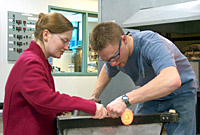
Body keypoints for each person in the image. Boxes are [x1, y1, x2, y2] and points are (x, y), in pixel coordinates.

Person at [3, 12, 107, 135]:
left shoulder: (38, 61)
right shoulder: (30, 62)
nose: (67, 47)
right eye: (64, 40)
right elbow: (45, 100)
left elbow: (38, 101)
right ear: (46, 34)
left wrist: (60, 110)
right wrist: (89, 106)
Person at [90, 21, 197, 135]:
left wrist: (125, 99)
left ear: (124, 40)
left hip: (181, 92)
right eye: (106, 60)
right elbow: (107, 71)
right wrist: (94, 96)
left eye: (114, 57)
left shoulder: (151, 43)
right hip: (152, 94)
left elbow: (172, 80)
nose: (113, 64)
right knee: (138, 131)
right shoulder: (116, 55)